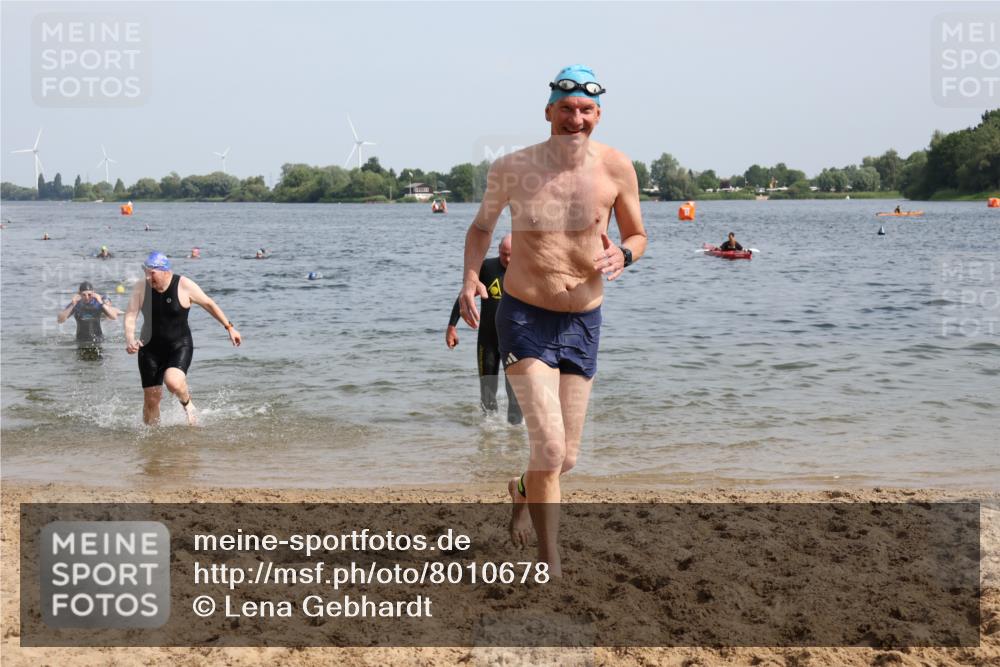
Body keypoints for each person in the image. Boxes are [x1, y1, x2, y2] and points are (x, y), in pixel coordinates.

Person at [458, 64, 647, 575]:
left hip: (584, 320)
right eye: (566, 109)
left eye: (586, 110)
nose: (575, 118)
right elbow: (480, 230)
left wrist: (624, 257)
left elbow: (637, 236)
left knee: (565, 461)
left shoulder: (617, 168)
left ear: (598, 115)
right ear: (548, 113)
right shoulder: (512, 168)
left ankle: (521, 489)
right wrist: (470, 279)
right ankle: (551, 560)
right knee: (549, 444)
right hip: (524, 317)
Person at [125, 251, 242, 426]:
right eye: (146, 272)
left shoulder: (184, 285)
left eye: (152, 273)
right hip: (149, 347)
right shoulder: (141, 287)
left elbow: (208, 304)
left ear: (165, 271)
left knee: (173, 382)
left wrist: (229, 327)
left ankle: (187, 403)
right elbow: (130, 316)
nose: (148, 278)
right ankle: (153, 441)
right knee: (151, 400)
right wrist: (129, 338)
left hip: (179, 345)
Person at [446, 234, 522, 425]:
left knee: (516, 396)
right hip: (487, 340)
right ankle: (488, 440)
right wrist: (452, 326)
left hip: (515, 342)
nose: (508, 259)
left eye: (512, 255)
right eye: (504, 254)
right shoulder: (487, 268)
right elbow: (465, 295)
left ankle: (515, 443)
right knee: (487, 393)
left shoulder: (526, 271)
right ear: (498, 251)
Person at [57, 281, 121, 357]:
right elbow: (60, 320)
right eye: (84, 295)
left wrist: (101, 303)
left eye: (89, 295)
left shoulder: (98, 303)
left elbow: (113, 317)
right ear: (79, 294)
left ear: (93, 293)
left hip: (98, 340)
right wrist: (72, 305)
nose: (87, 297)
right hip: (81, 341)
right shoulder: (76, 304)